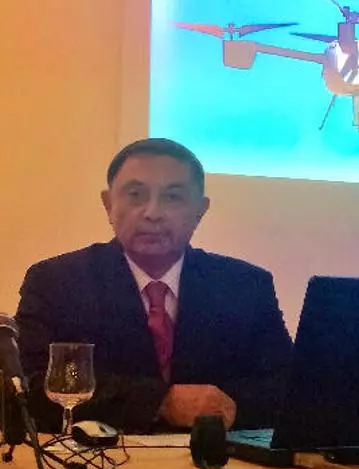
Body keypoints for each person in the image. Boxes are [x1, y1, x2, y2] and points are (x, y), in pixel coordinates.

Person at [15, 138, 293, 434]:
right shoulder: (56, 282)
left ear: (200, 210)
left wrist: (227, 407)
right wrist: (161, 402)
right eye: (135, 195)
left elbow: (286, 388)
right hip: (102, 457)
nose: (152, 213)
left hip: (218, 458)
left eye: (172, 197)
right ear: (109, 205)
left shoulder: (245, 286)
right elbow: (28, 387)